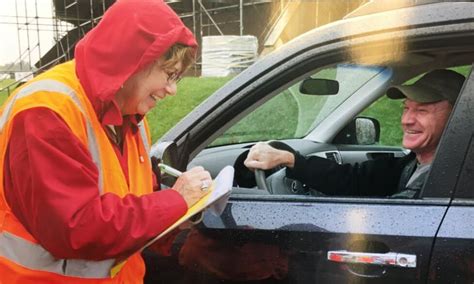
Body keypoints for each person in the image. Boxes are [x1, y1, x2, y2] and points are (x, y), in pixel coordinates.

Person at [0, 0, 212, 283]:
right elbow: (76, 230)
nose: (172, 90)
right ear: (133, 60)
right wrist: (175, 201)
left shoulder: (129, 114)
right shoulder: (47, 112)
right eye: (169, 74)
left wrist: (177, 219)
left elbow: (134, 201)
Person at [244, 69, 465, 198]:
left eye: (422, 110)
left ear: (458, 116)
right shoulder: (412, 164)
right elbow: (354, 179)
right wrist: (291, 160)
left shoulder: (459, 179)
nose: (407, 120)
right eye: (406, 108)